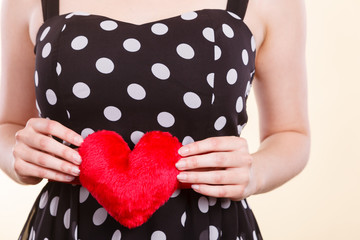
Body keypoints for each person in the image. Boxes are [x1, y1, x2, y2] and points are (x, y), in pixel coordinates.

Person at [0, 0, 309, 239]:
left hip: (209, 227)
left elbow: (291, 132)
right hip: (69, 225)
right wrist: (19, 158)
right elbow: (7, 125)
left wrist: (256, 173)